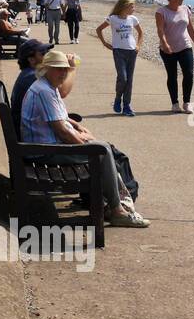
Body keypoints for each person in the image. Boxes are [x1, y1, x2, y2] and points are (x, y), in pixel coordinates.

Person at [19, 50, 149, 227]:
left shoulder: (47, 86)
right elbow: (62, 132)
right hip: (43, 152)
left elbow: (61, 117)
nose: (64, 72)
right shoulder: (44, 91)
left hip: (45, 146)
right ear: (46, 69)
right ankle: (117, 209)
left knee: (102, 148)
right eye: (59, 69)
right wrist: (85, 147)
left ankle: (113, 205)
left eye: (65, 69)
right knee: (102, 152)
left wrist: (78, 128)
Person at [95, 0, 144, 116]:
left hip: (132, 51)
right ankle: (118, 99)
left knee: (129, 80)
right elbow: (98, 29)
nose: (133, 8)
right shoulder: (113, 18)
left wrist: (138, 46)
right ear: (124, 6)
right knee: (123, 77)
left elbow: (141, 32)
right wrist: (105, 43)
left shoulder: (133, 19)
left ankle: (127, 106)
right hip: (118, 51)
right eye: (131, 6)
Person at [155, 0, 194, 114]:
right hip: (167, 49)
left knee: (189, 74)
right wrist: (165, 44)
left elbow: (190, 28)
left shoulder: (185, 9)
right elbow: (160, 30)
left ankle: (187, 103)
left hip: (185, 46)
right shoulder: (161, 11)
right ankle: (175, 103)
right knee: (172, 75)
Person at [10, 38, 50, 122]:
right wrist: (71, 69)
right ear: (31, 59)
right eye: (43, 53)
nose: (47, 56)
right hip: (30, 129)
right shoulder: (32, 76)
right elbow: (62, 92)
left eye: (47, 52)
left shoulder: (28, 73)